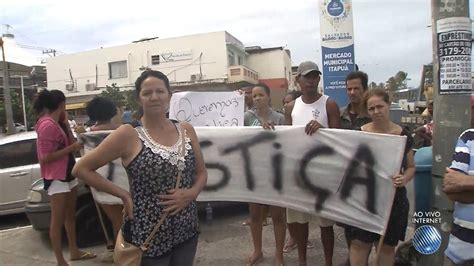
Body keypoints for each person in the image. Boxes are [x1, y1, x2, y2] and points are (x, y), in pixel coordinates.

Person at [72, 70, 207, 266]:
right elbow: (81, 169)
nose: (154, 97)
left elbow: (201, 172)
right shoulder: (128, 134)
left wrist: (191, 193)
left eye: (160, 91)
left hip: (186, 228)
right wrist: (123, 195)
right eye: (147, 93)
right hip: (147, 236)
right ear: (139, 98)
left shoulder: (186, 129)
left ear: (169, 95)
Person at [347, 89, 415, 266]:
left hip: (393, 200)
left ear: (388, 106)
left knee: (386, 247)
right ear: (367, 111)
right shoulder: (359, 134)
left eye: (380, 106)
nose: (376, 111)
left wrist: (404, 179)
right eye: (371, 108)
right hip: (364, 198)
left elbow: (411, 167)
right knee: (359, 244)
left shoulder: (403, 135)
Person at [284, 61, 341, 266]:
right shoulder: (290, 107)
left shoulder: (329, 104)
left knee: (326, 223)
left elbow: (339, 141)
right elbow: (285, 140)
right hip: (299, 173)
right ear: (298, 79)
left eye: (314, 76)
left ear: (319, 79)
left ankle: (328, 262)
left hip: (323, 173)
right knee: (299, 222)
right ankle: (302, 261)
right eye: (306, 76)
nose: (311, 80)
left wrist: (322, 130)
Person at [33, 89, 96, 266]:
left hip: (68, 172)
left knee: (70, 216)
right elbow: (45, 157)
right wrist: (71, 148)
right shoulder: (46, 125)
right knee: (57, 220)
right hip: (56, 177)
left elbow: (70, 144)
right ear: (61, 105)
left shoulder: (56, 122)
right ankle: (60, 260)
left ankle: (74, 251)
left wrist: (66, 124)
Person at [244, 83, 286, 266]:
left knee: (277, 215)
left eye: (261, 95)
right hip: (254, 171)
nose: (257, 98)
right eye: (254, 96)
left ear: (269, 97)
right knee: (255, 215)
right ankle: (258, 251)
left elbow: (286, 143)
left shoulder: (280, 118)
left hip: (275, 172)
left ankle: (279, 255)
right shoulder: (246, 117)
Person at [85, 96, 127, 261]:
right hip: (125, 181)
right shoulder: (123, 130)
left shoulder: (89, 136)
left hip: (101, 183)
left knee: (115, 221)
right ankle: (127, 253)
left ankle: (120, 255)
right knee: (128, 220)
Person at [340, 71, 372, 265]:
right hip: (346, 180)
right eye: (349, 89)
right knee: (348, 224)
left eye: (356, 88)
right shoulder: (341, 114)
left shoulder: (373, 114)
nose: (352, 92)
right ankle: (353, 258)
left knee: (368, 226)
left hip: (368, 179)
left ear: (365, 89)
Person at [281, 89, 315, 254]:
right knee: (292, 209)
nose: (286, 105)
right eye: (284, 102)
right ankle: (294, 237)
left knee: (305, 210)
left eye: (289, 102)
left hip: (310, 167)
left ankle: (302, 237)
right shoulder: (283, 119)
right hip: (291, 167)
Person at [443, 128, 474, 265]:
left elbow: (458, 184)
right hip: (460, 251)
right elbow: (451, 188)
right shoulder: (468, 137)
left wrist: (466, 181)